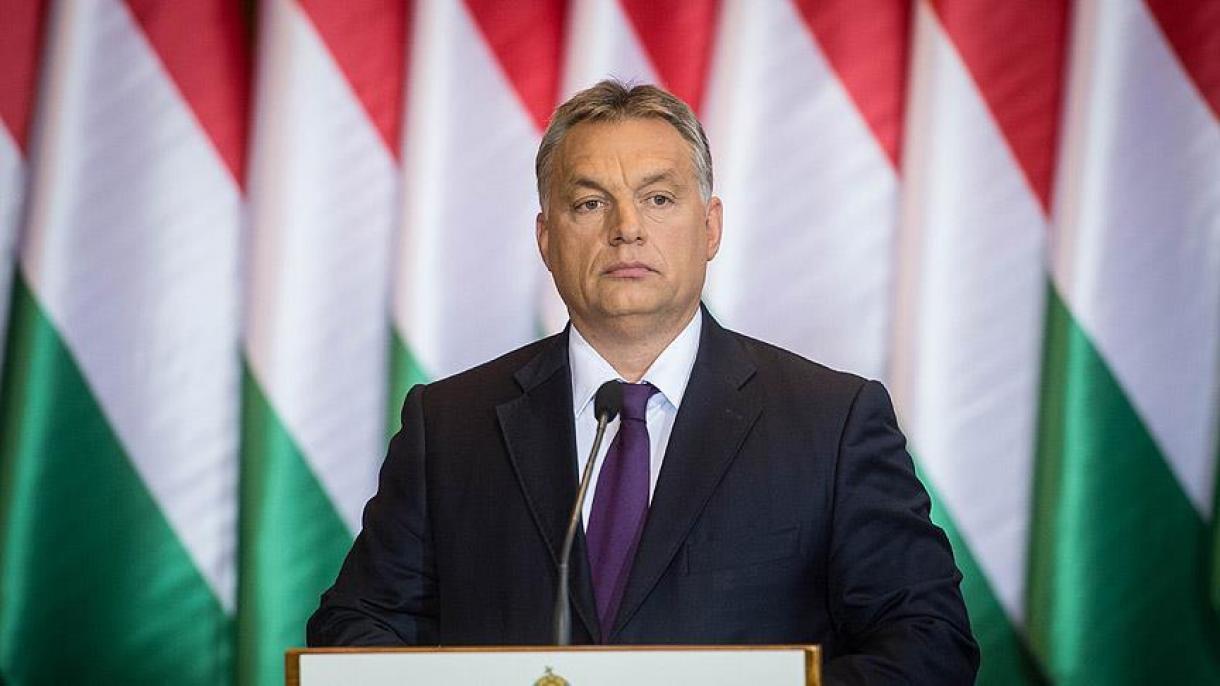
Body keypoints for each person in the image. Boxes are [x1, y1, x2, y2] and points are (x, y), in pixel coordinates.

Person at [307, 80, 979, 684]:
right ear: (546, 238)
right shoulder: (451, 423)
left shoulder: (831, 421)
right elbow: (357, 631)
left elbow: (927, 641)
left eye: (658, 198)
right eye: (589, 203)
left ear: (710, 227)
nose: (626, 230)